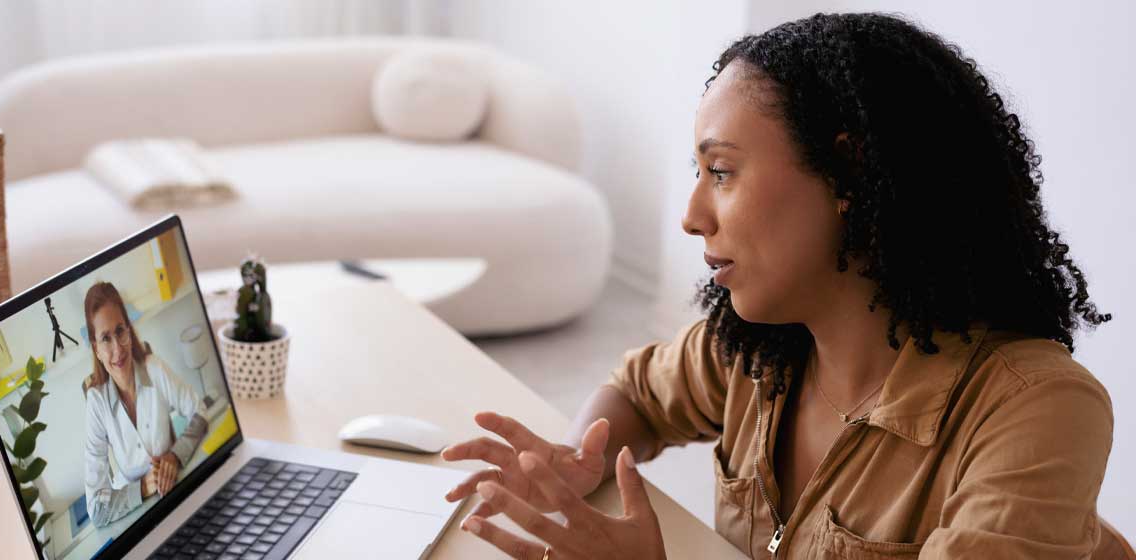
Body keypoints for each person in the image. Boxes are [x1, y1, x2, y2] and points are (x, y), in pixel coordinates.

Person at [441, 13, 1132, 559]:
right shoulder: (758, 347)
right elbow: (639, 394)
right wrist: (577, 457)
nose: (691, 215)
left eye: (721, 173)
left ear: (847, 180)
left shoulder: (1037, 409)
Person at [81, 281, 210, 527]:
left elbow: (200, 411)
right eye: (105, 338)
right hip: (135, 518)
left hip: (175, 488)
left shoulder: (153, 367)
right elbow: (96, 510)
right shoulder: (96, 403)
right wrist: (141, 488)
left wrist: (175, 456)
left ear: (129, 329)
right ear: (96, 348)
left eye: (120, 331)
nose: (117, 349)